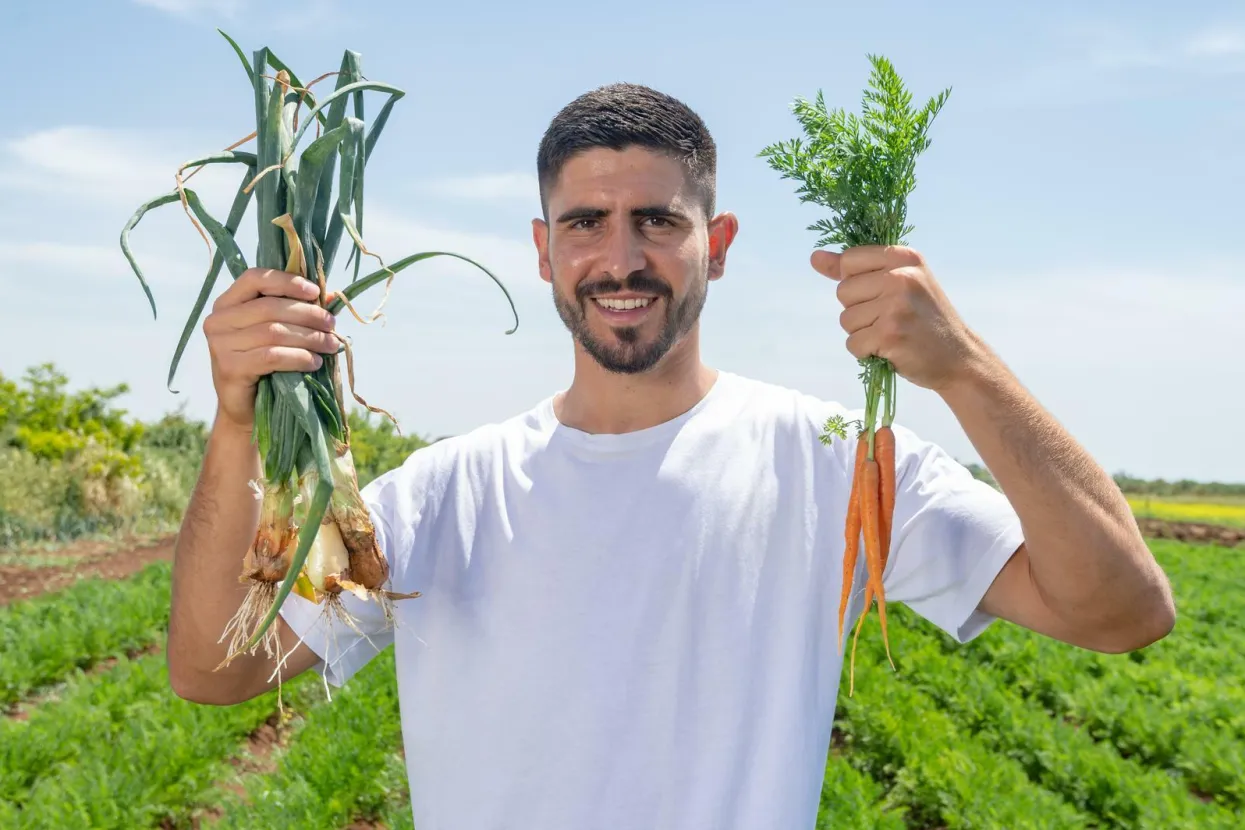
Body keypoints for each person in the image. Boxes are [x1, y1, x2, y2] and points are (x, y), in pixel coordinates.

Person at [167, 82, 1175, 828]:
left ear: (718, 240)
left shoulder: (834, 463)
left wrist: (965, 369)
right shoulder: (440, 494)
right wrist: (237, 417)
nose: (621, 257)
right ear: (543, 248)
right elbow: (217, 668)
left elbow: (1122, 609)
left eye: (658, 220)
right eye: (587, 224)